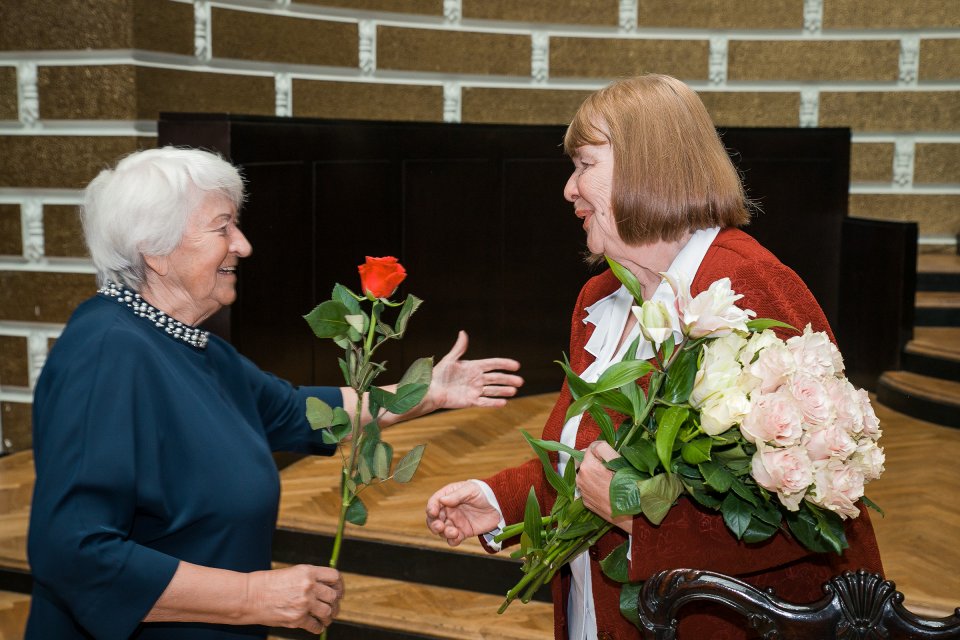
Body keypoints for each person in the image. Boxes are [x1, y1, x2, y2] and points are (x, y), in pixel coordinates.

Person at [425, 74, 883, 639]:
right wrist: (501, 500)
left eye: (585, 165)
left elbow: (813, 508)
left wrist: (637, 522)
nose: (569, 189)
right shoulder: (601, 300)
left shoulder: (749, 284)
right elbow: (587, 462)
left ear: (648, 166)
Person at [26, 146, 524, 640]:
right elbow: (73, 553)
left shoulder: (194, 348)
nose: (242, 245)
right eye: (223, 228)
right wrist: (253, 598)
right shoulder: (106, 354)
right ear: (154, 249)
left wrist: (426, 393)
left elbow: (298, 412)